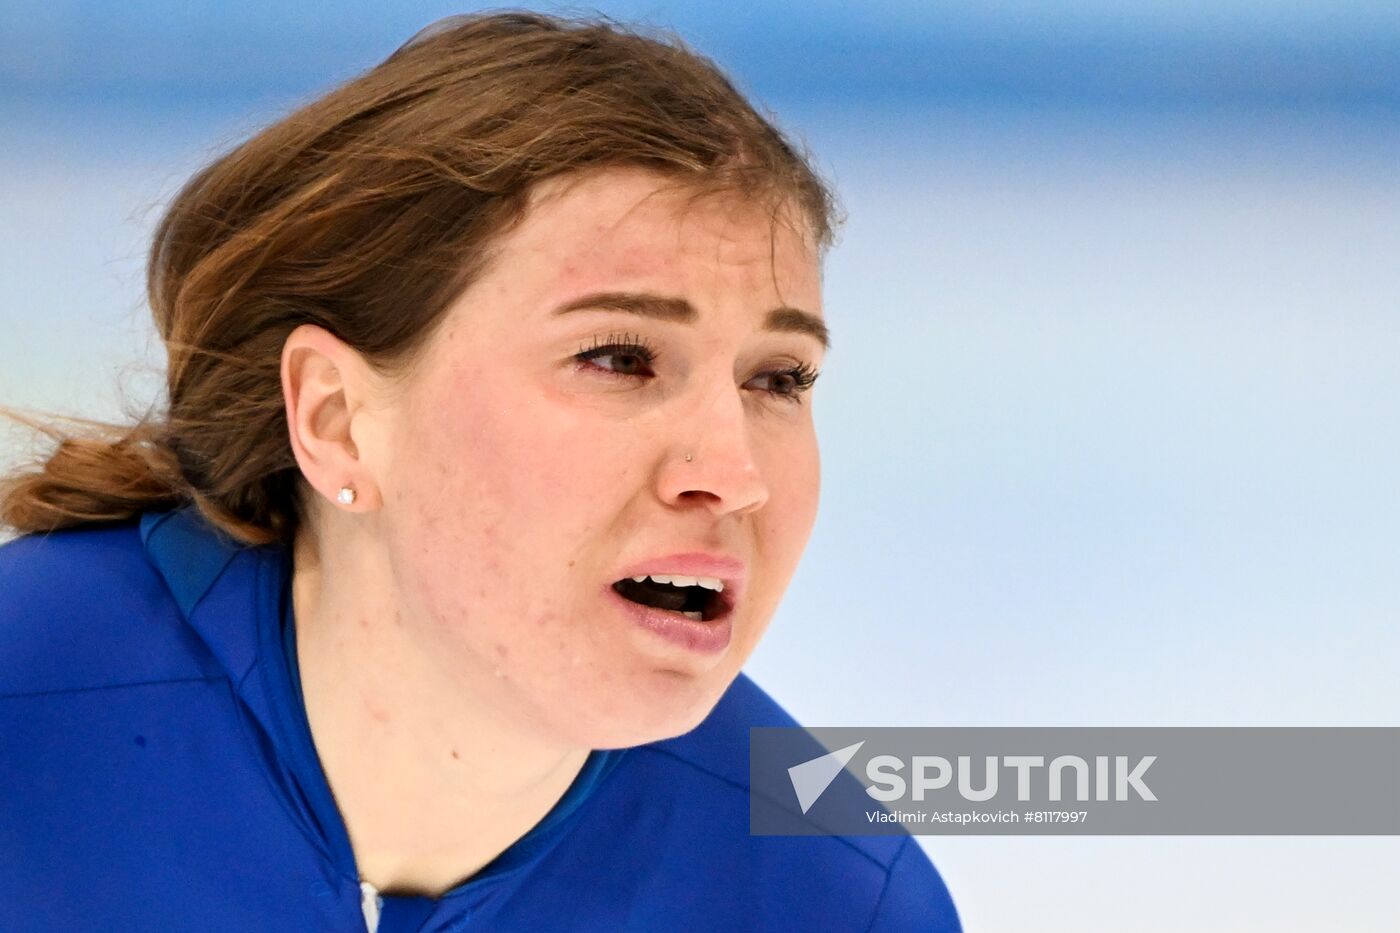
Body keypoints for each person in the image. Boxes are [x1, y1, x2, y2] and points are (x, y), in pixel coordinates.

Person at [0, 12, 961, 932]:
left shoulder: (838, 901)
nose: (734, 471)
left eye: (779, 378)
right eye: (618, 357)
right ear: (336, 420)